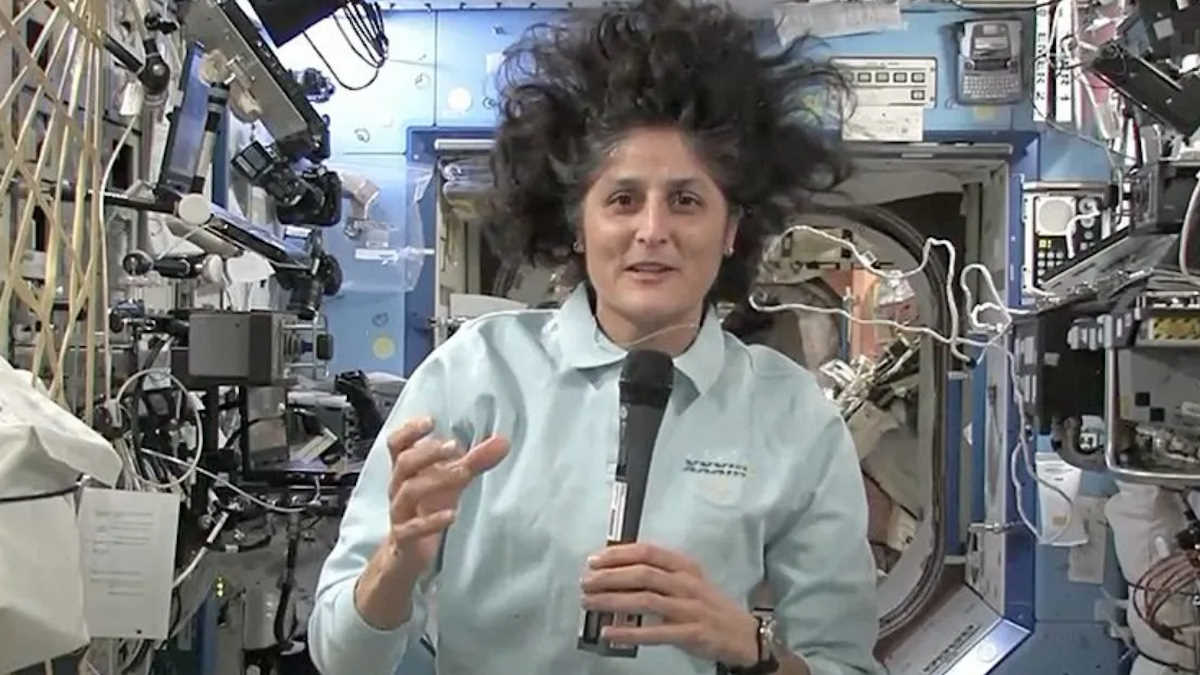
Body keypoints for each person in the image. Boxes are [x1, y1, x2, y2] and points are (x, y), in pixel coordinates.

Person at [308, 1, 881, 673]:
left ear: (731, 230)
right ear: (578, 225)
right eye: (622, 199)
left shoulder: (792, 416)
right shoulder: (475, 374)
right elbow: (341, 659)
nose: (652, 230)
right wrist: (399, 558)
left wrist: (750, 649)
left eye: (687, 200)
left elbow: (845, 664)